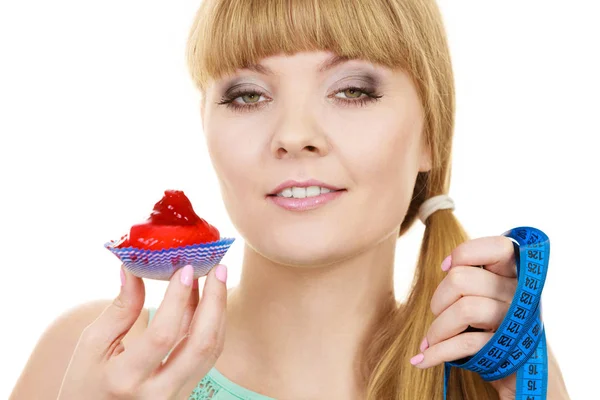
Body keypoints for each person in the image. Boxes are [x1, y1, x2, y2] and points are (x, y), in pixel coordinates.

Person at [10, 0, 570, 399]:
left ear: (430, 134)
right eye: (248, 95)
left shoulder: (497, 383)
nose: (294, 133)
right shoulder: (97, 359)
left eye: (353, 90)